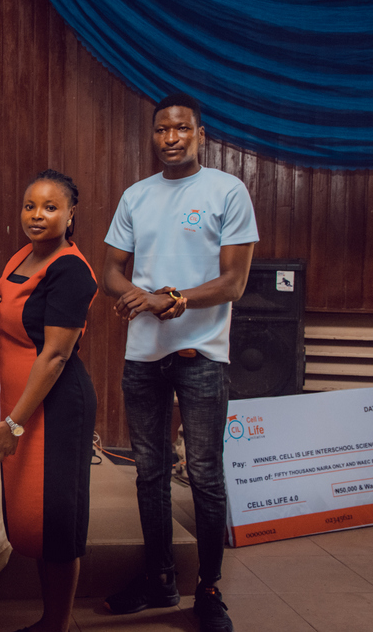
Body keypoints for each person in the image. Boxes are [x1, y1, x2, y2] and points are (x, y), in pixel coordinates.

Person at [101, 93, 258, 632]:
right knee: (149, 473)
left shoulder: (227, 191)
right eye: (162, 130)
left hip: (203, 356)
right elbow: (111, 271)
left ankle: (208, 589)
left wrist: (174, 298)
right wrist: (132, 295)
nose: (171, 138)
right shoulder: (136, 196)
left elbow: (233, 283)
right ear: (153, 137)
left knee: (206, 475)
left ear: (200, 134)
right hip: (144, 356)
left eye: (182, 129)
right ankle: (159, 579)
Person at [0, 169, 98, 632]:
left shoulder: (71, 270)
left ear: (71, 214)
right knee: (33, 520)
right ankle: (50, 620)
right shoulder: (21, 256)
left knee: (57, 521)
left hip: (53, 409)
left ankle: (58, 623)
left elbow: (54, 357)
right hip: (19, 407)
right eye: (30, 206)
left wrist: (15, 423)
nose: (37, 215)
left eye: (50, 207)